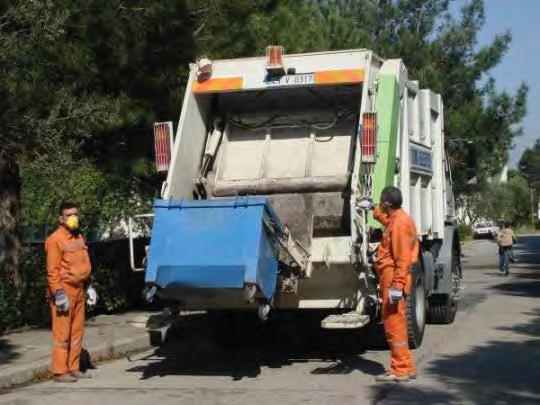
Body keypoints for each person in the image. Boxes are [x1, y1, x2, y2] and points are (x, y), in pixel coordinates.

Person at [358, 186, 418, 382]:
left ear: (387, 204)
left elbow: (402, 259)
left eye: (381, 203)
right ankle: (406, 366)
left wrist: (397, 286)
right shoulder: (399, 219)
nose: (381, 207)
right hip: (393, 277)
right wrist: (373, 209)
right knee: (397, 321)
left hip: (393, 278)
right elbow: (387, 221)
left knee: (394, 324)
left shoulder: (399, 225)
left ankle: (400, 369)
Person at [45, 201, 98, 382]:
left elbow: (83, 264)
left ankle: (73, 368)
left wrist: (89, 285)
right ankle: (60, 372)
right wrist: (58, 293)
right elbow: (52, 272)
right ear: (61, 218)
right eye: (69, 215)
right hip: (64, 291)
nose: (73, 218)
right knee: (62, 334)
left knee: (76, 333)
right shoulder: (55, 240)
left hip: (79, 289)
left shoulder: (79, 237)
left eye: (75, 214)